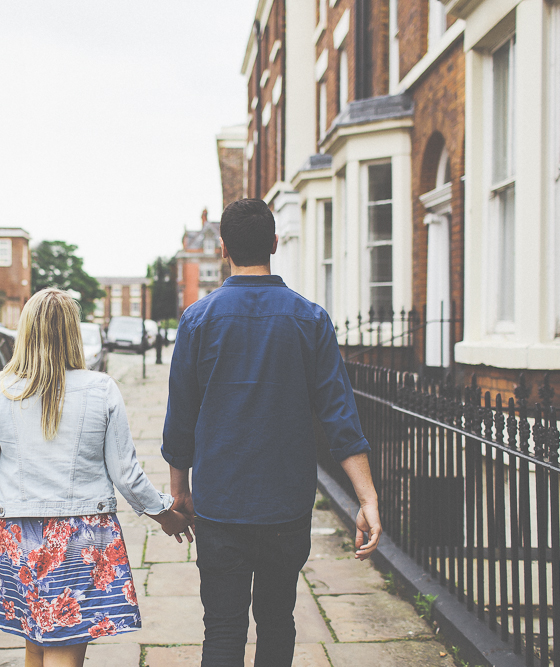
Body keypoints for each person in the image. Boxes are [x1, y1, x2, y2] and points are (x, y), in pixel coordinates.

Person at [162, 198, 382, 667]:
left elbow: (180, 418)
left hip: (221, 505)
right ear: (275, 244)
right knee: (278, 622)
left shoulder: (198, 321)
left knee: (222, 630)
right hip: (286, 505)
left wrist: (180, 492)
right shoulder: (310, 320)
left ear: (223, 249)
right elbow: (340, 416)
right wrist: (367, 499)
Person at [0, 288, 192, 667]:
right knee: (64, 642)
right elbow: (126, 474)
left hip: (15, 536)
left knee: (36, 641)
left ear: (25, 332)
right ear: (73, 333)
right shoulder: (101, 389)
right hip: (82, 537)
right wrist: (166, 514)